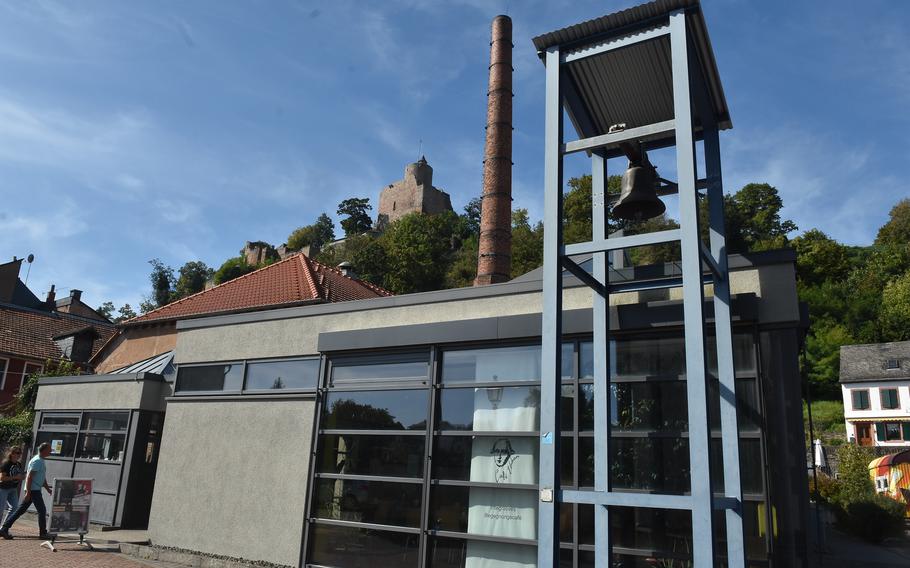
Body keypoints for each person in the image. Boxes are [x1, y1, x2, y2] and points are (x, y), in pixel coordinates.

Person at [0, 442, 53, 539]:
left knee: (20, 510)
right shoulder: (37, 461)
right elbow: (29, 477)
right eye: (49, 449)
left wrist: (48, 489)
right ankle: (43, 533)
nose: (51, 451)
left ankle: (4, 528)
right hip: (33, 490)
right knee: (42, 511)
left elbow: (42, 477)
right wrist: (28, 492)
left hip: (34, 490)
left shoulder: (41, 460)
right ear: (44, 450)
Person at [0, 448, 24, 525]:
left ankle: (4, 528)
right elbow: (1, 478)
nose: (19, 455)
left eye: (20, 453)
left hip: (13, 489)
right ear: (12, 453)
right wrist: (16, 477)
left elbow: (17, 475)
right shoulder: (6, 464)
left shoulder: (18, 464)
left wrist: (22, 477)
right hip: (3, 488)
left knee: (14, 508)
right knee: (0, 509)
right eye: (17, 453)